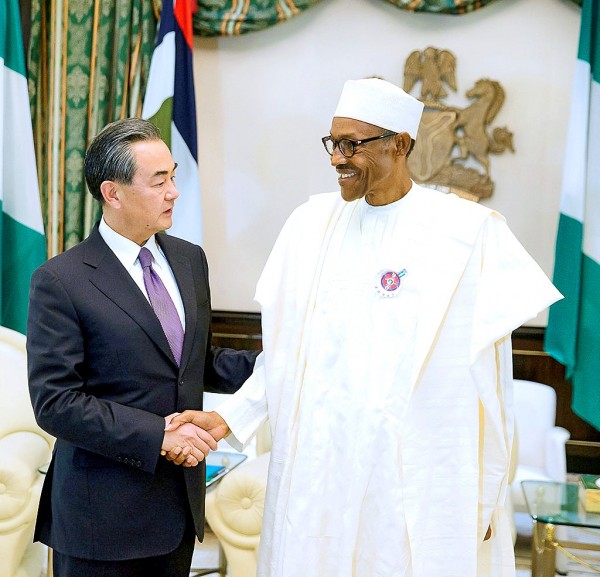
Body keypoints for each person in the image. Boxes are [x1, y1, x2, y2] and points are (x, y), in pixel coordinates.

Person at [167, 78, 562, 577]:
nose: (337, 158)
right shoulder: (308, 227)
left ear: (400, 145)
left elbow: (493, 388)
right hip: (322, 464)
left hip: (413, 470)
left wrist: (485, 495)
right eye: (334, 143)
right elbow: (287, 355)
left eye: (353, 144)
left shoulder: (466, 235)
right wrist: (230, 419)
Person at [27, 117, 258, 577]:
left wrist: (283, 363)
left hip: (177, 510)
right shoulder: (61, 281)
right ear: (112, 193)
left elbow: (192, 362)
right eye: (159, 182)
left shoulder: (190, 259)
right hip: (101, 520)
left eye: (173, 176)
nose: (174, 191)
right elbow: (56, 402)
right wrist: (160, 435)